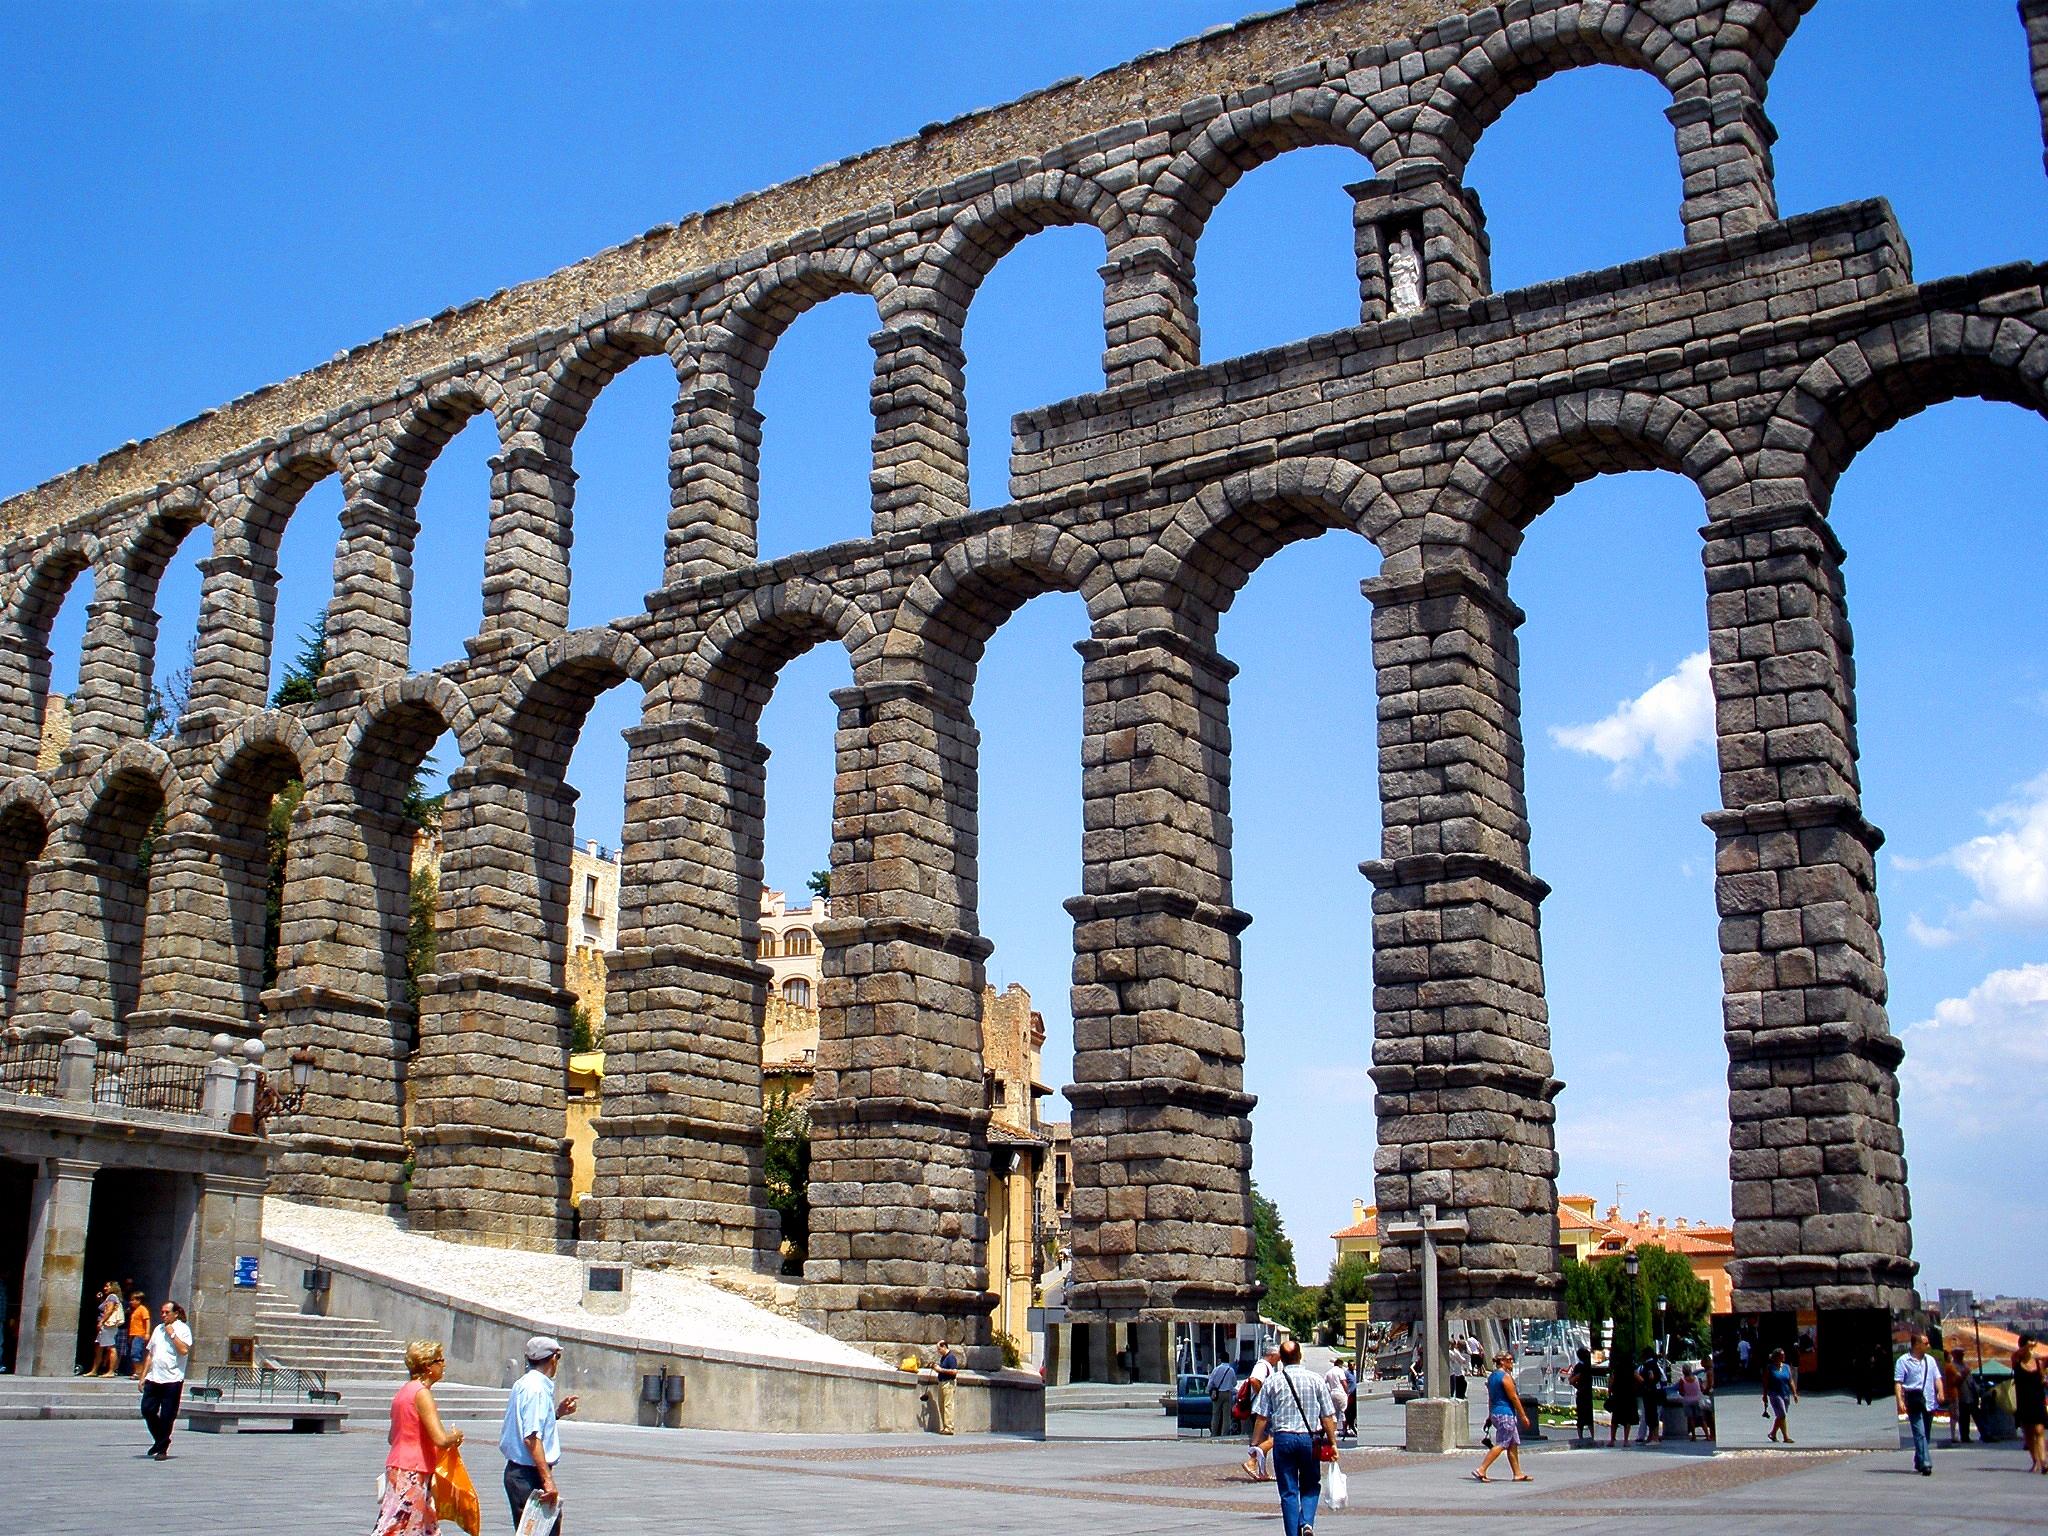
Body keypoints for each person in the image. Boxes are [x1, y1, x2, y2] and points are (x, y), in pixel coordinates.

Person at [374, 1340, 466, 1536]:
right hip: (413, 1470)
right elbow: (440, 1438)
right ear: (428, 1366)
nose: (444, 1365)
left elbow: (393, 1437)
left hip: (399, 1465)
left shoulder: (403, 1392)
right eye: (439, 1360)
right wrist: (455, 1436)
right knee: (401, 1525)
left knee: (422, 1525)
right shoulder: (422, 1394)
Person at [1250, 1338, 1338, 1536]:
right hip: (1309, 1439)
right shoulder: (1315, 1379)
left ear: (1281, 1359)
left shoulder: (1272, 1381)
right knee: (1311, 1484)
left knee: (1288, 1491)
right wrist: (1332, 1443)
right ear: (1300, 1356)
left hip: (1283, 1439)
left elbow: (1262, 1417)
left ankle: (1292, 1533)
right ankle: (1307, 1522)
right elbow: (1327, 1416)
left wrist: (1255, 1444)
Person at [500, 1335, 578, 1532]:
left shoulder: (524, 1383)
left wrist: (557, 1413)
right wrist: (548, 1481)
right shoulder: (536, 1390)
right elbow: (532, 1438)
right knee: (541, 1530)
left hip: (520, 1472)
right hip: (528, 1474)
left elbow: (529, 1425)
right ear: (553, 1359)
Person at [138, 1300, 191, 1460]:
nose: (163, 1315)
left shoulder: (183, 1329)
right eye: (162, 1312)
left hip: (172, 1379)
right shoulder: (157, 1329)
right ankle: (161, 1440)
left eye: (167, 1312)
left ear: (175, 1313)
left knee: (168, 1415)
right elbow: (151, 1354)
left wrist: (172, 1333)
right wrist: (142, 1376)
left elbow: (183, 1350)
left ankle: (162, 1449)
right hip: (154, 1378)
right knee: (147, 1409)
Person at [1471, 1351, 1532, 1484]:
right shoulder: (1505, 1377)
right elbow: (1514, 1397)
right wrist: (1523, 1415)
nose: (1512, 1362)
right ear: (1502, 1361)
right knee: (1503, 1443)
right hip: (1506, 1413)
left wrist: (1490, 1415)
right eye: (1509, 1359)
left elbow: (1491, 1398)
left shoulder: (1492, 1377)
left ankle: (1517, 1473)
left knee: (1513, 1443)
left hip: (1496, 1412)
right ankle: (1481, 1469)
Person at [1894, 1331, 1942, 1476]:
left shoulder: (1931, 1360)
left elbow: (1937, 1378)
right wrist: (1900, 1400)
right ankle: (1926, 1464)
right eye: (1926, 1343)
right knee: (1919, 1433)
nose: (1929, 1345)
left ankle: (1918, 1459)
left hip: (1929, 1401)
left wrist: (1941, 1391)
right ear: (1917, 1345)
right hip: (1914, 1400)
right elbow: (1898, 1382)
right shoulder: (1903, 1361)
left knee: (1925, 1434)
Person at [1241, 1342, 1281, 1481]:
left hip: (1261, 1408)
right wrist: (1264, 1395)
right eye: (1278, 1356)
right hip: (1262, 1409)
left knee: (1263, 1440)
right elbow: (1254, 1380)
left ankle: (1261, 1471)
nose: (1280, 1359)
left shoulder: (1266, 1366)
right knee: (1273, 1438)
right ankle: (1251, 1462)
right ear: (1272, 1355)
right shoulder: (1262, 1366)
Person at [2013, 1333, 2047, 1475]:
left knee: (2039, 1430)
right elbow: (2017, 1353)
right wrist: (2027, 1346)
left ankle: (2043, 1463)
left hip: (2037, 1399)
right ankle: (2035, 1461)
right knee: (2028, 1432)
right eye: (2029, 1343)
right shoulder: (2017, 1359)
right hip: (2024, 1400)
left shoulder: (2039, 1363)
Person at [1763, 1346, 1797, 1444]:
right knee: (1782, 1414)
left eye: (1784, 1355)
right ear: (1776, 1357)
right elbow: (1765, 1382)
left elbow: (1790, 1380)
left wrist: (1794, 1393)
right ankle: (1786, 1437)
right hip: (1774, 1394)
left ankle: (1773, 1434)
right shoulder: (1770, 1368)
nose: (1783, 1357)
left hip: (1785, 1394)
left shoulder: (1786, 1367)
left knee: (1781, 1416)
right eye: (1782, 1356)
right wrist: (1764, 1395)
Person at [90, 1281, 122, 1377]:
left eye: (107, 1286)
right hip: (106, 1326)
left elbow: (109, 1310)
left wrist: (101, 1322)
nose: (105, 1288)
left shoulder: (112, 1297)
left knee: (111, 1347)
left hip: (108, 1326)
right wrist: (101, 1300)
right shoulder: (109, 1297)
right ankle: (94, 1370)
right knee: (99, 1347)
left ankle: (111, 1371)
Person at [1941, 1347, 1972, 1445]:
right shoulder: (1950, 1367)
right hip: (1954, 1393)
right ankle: (1955, 1435)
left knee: (1956, 1416)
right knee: (1956, 1416)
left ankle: (1957, 1435)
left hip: (1955, 1393)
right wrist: (1965, 1372)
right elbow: (1958, 1378)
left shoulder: (1947, 1367)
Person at [1607, 1355, 1637, 1446]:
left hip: (1618, 1395)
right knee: (1627, 1419)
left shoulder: (1616, 1370)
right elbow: (1638, 1380)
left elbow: (1611, 1382)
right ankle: (1626, 1440)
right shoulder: (1632, 1370)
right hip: (1629, 1396)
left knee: (1615, 1419)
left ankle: (1612, 1440)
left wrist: (1610, 1392)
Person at [1207, 1354, 1238, 1439]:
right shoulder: (1231, 1370)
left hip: (1217, 1394)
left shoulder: (1216, 1369)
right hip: (1227, 1393)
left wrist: (1210, 1391)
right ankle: (1224, 1435)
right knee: (1226, 1416)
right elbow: (1234, 1383)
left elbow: (1210, 1382)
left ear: (1220, 1360)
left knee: (1215, 1414)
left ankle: (1214, 1433)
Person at [934, 1340, 960, 1435]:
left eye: (939, 1349)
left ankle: (949, 1427)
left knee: (947, 1405)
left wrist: (941, 1370)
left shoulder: (951, 1358)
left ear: (944, 1346)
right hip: (942, 1382)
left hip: (948, 1383)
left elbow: (954, 1371)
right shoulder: (943, 1358)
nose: (938, 1351)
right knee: (941, 1405)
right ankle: (945, 1426)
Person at [1569, 1347, 1596, 1441]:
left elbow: (1571, 1380)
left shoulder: (1580, 1366)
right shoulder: (1581, 1367)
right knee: (1585, 1415)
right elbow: (1572, 1380)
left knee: (1584, 1415)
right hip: (1585, 1394)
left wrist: (1578, 1387)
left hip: (1583, 1393)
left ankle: (1584, 1436)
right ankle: (1589, 1436)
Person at [1637, 1352, 1663, 1443]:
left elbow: (1651, 1377)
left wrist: (1640, 1379)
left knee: (1651, 1415)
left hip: (1650, 1393)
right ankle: (1652, 1436)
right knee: (1652, 1415)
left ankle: (1654, 1437)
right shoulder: (1655, 1365)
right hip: (1654, 1392)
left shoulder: (1648, 1366)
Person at [1675, 1364, 1706, 1441]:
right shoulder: (1696, 1378)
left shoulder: (1682, 1380)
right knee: (1702, 1418)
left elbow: (1681, 1392)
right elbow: (1702, 1389)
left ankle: (1694, 1436)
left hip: (1687, 1401)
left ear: (1683, 1371)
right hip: (1698, 1400)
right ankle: (1707, 1435)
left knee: (1691, 1419)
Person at [1321, 1358, 1350, 1439]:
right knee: (1344, 1411)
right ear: (1340, 1365)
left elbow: (1324, 1383)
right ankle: (1345, 1430)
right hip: (1341, 1393)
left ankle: (1334, 1430)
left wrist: (1329, 1390)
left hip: (1332, 1393)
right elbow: (1343, 1382)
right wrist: (1347, 1392)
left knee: (1334, 1413)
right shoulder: (1340, 1371)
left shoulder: (1329, 1372)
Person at [126, 1290, 150, 1382]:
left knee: (136, 1353)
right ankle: (137, 1371)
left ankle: (139, 1372)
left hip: (140, 1334)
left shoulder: (143, 1309)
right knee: (134, 1353)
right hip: (134, 1334)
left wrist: (147, 1333)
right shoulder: (134, 1310)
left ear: (139, 1300)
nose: (131, 1302)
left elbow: (147, 1321)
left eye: (133, 1300)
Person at [1342, 1360, 1358, 1437]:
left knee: (1353, 1412)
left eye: (1353, 1365)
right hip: (1350, 1395)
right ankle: (1345, 1429)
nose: (1352, 1366)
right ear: (1348, 1366)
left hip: (1356, 1395)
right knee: (1348, 1411)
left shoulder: (1355, 1373)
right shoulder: (1346, 1373)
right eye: (1350, 1365)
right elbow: (1343, 1383)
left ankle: (1352, 1426)